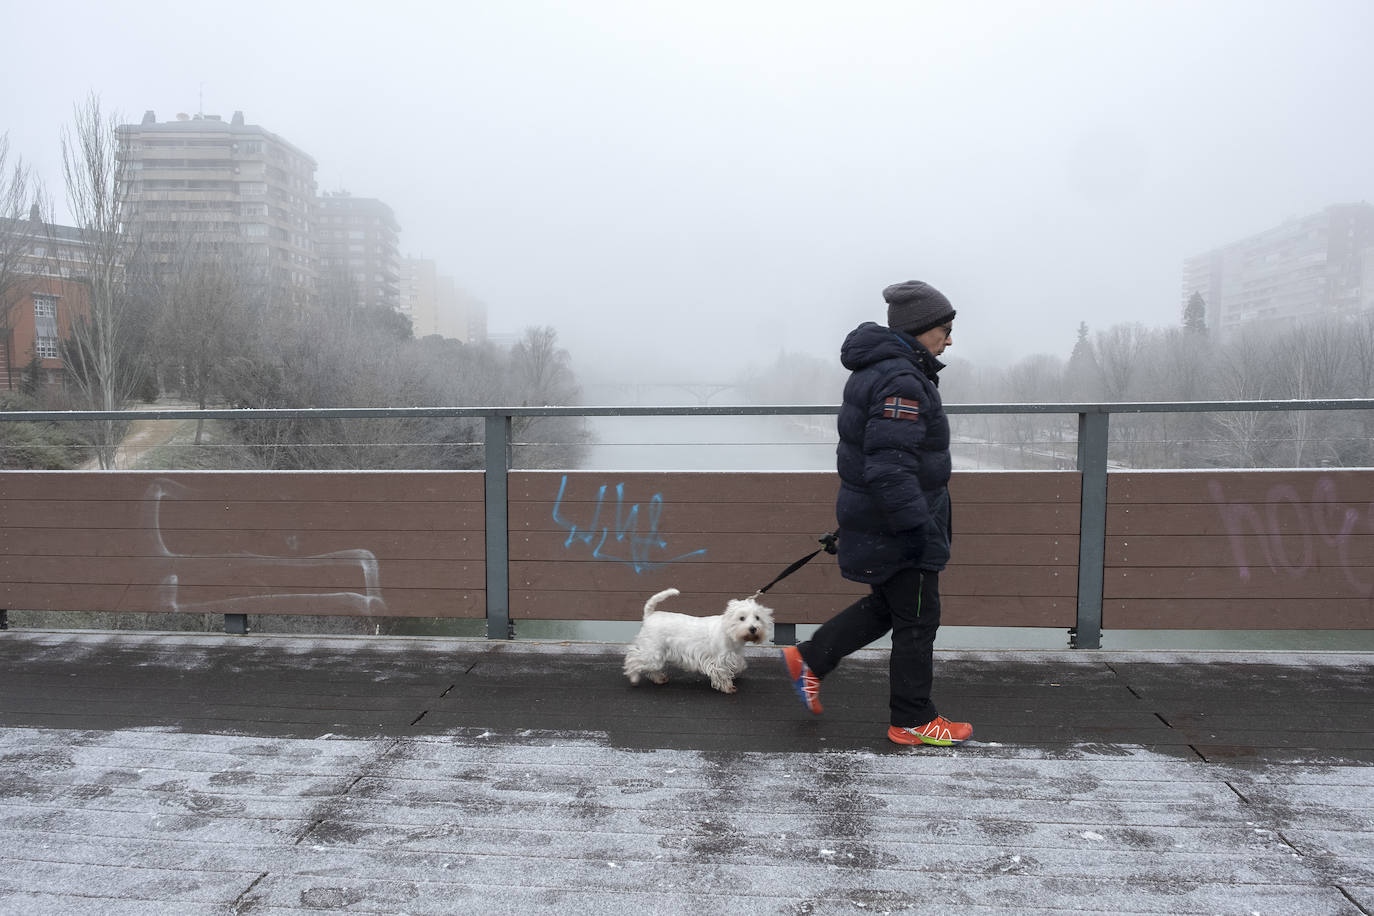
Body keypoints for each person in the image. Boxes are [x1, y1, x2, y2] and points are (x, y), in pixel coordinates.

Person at [780, 280, 972, 746]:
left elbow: (878, 458)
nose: (950, 339)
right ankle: (912, 720)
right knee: (918, 622)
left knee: (889, 606)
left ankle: (810, 658)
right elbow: (889, 467)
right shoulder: (903, 380)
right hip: (902, 524)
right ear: (920, 329)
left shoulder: (882, 370)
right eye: (944, 329)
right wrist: (918, 528)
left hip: (884, 517)